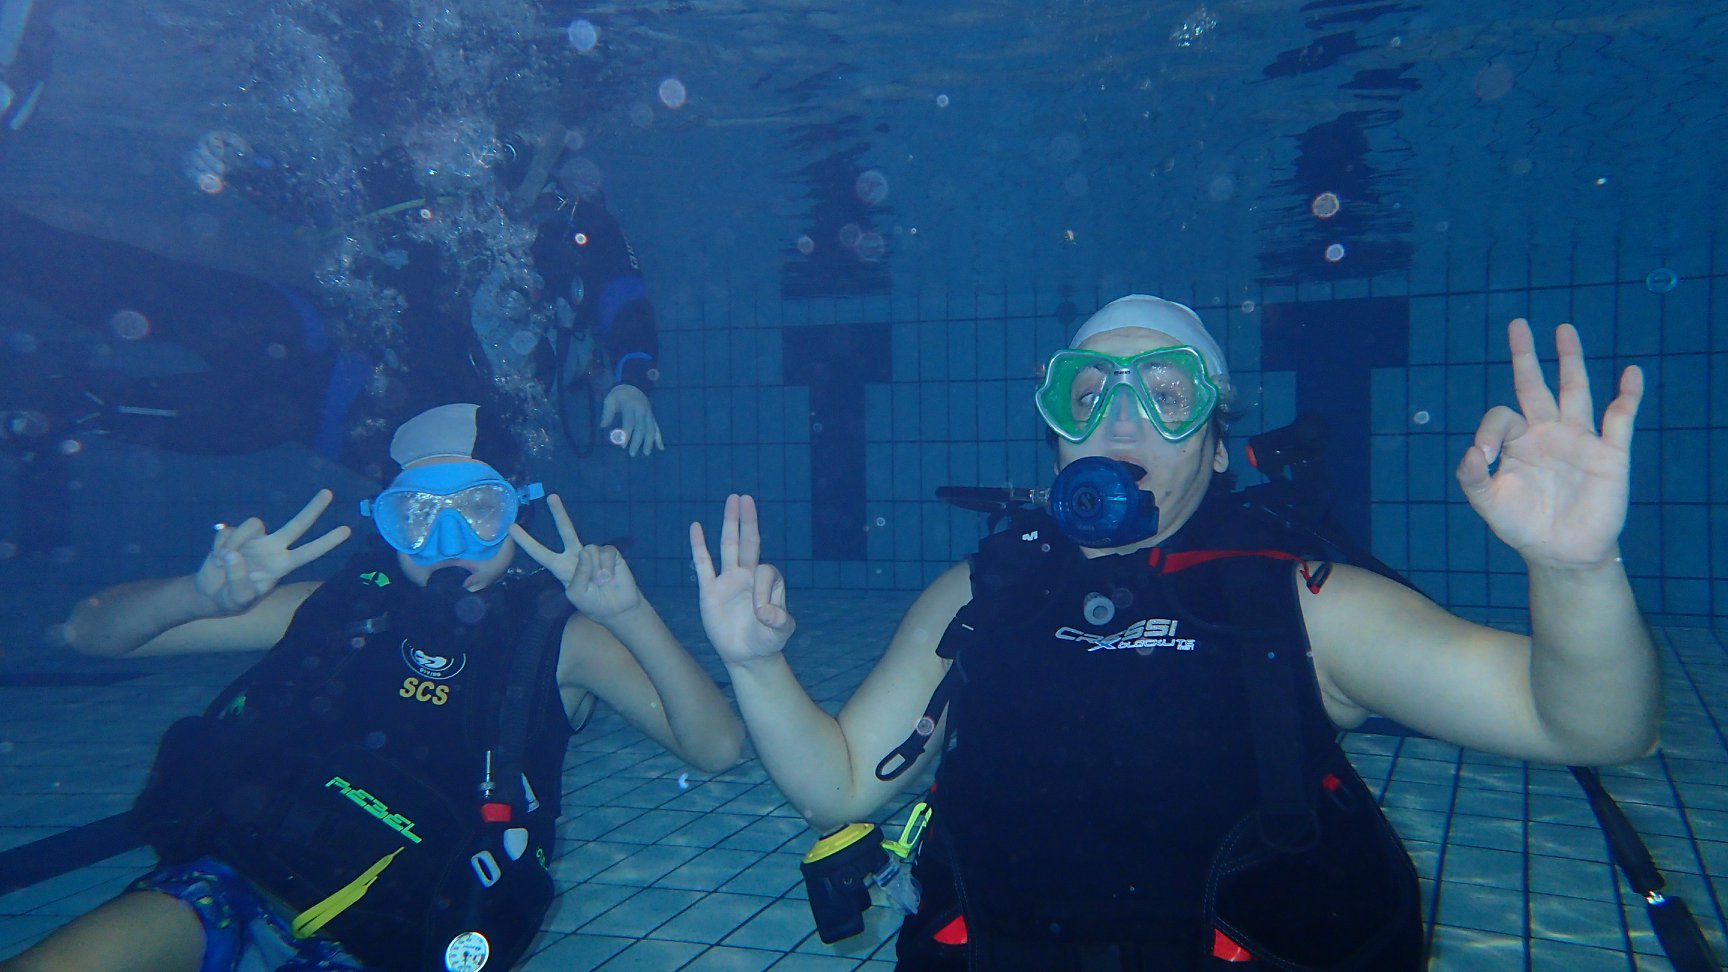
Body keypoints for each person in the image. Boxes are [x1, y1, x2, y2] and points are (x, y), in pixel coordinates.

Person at [689, 295, 1657, 970]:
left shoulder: (1305, 603)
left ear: (1219, 444)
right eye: (1088, 392)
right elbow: (840, 782)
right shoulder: (976, 598)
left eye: (1166, 393)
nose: (1121, 420)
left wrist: (1576, 574)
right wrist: (754, 665)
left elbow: (1586, 725)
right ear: (1058, 430)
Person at [1, 402, 742, 972]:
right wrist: (197, 598)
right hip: (224, 886)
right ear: (388, 524)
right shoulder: (333, 610)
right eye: (420, 515)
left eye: (479, 511)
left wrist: (632, 616)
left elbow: (715, 747)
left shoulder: (561, 643)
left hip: (393, 945)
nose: (449, 543)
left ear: (517, 513)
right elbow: (87, 630)